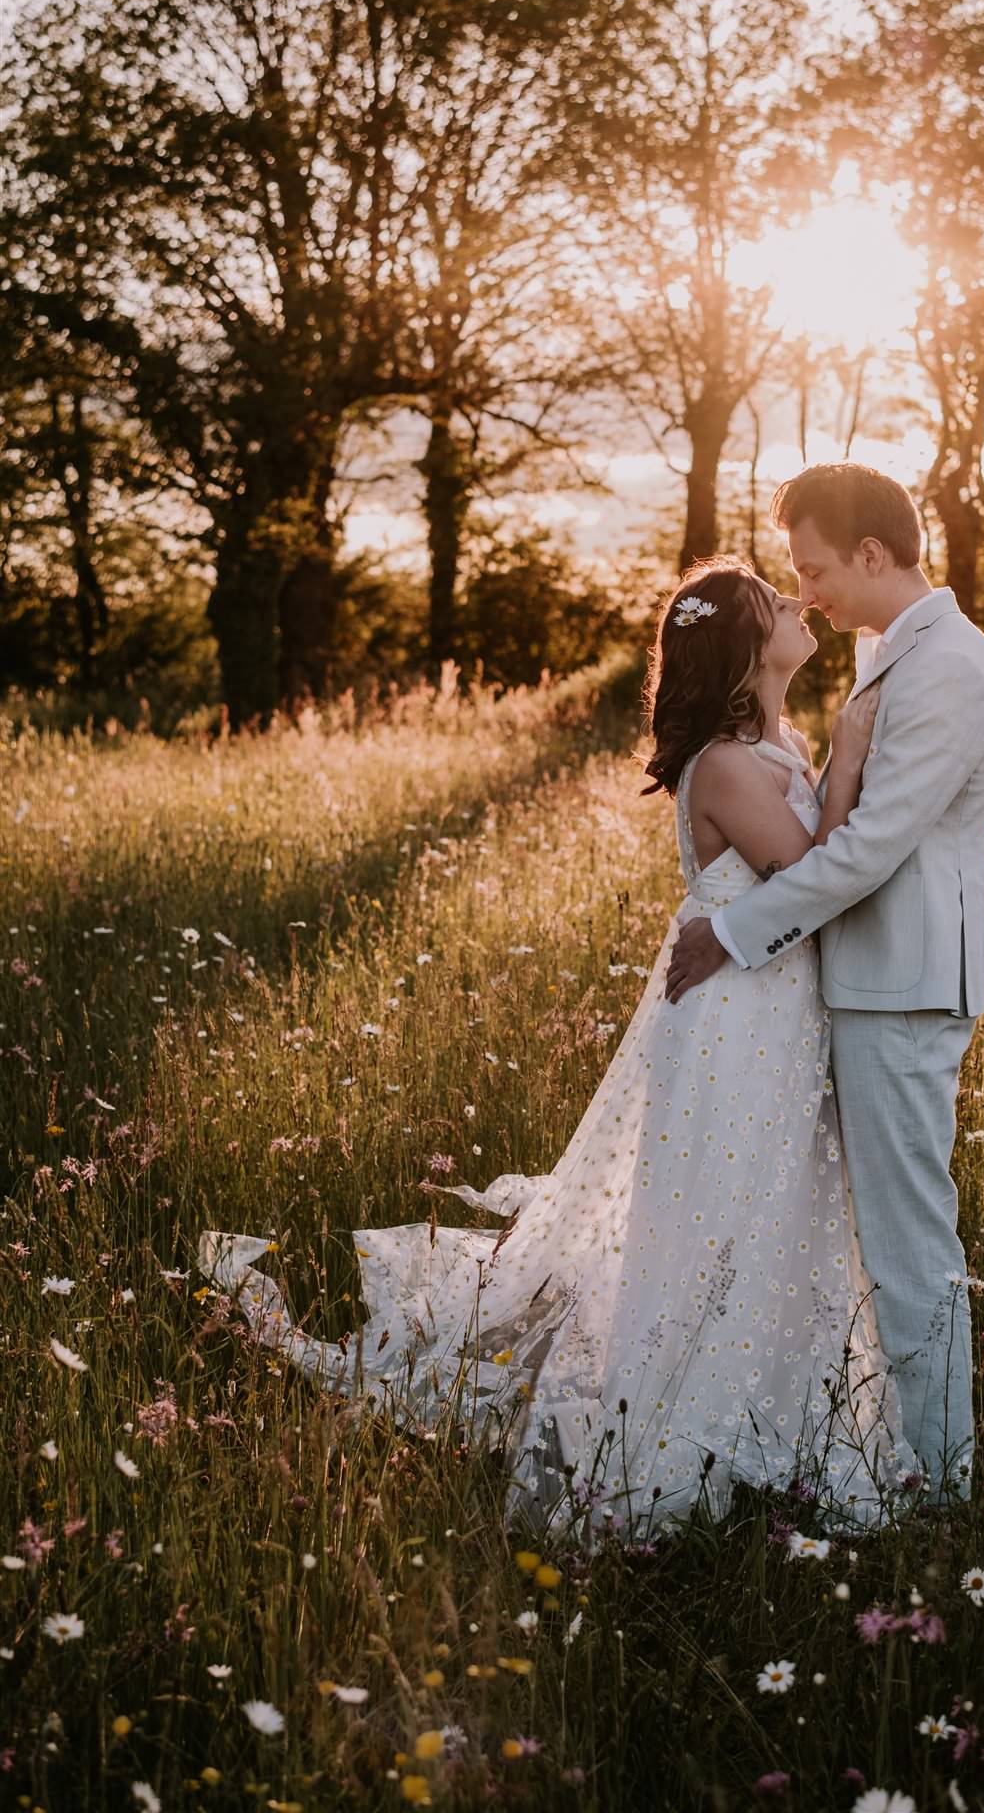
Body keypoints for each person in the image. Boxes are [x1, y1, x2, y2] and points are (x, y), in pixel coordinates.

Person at [200, 557, 916, 1536]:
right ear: (748, 646)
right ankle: (665, 1422)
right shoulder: (725, 762)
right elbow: (816, 877)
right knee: (713, 1213)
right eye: (776, 601)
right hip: (728, 1024)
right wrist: (850, 748)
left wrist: (835, 753)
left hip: (778, 1017)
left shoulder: (776, 743)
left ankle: (767, 1408)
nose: (800, 604)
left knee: (772, 1208)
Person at [666, 464, 984, 1505]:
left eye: (813, 569)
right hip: (863, 979)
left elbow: (868, 849)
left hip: (902, 985)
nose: (804, 592)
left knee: (909, 1240)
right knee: (875, 1235)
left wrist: (733, 928)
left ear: (871, 553)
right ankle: (889, 1442)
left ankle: (940, 1482)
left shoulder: (946, 663)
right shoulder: (884, 650)